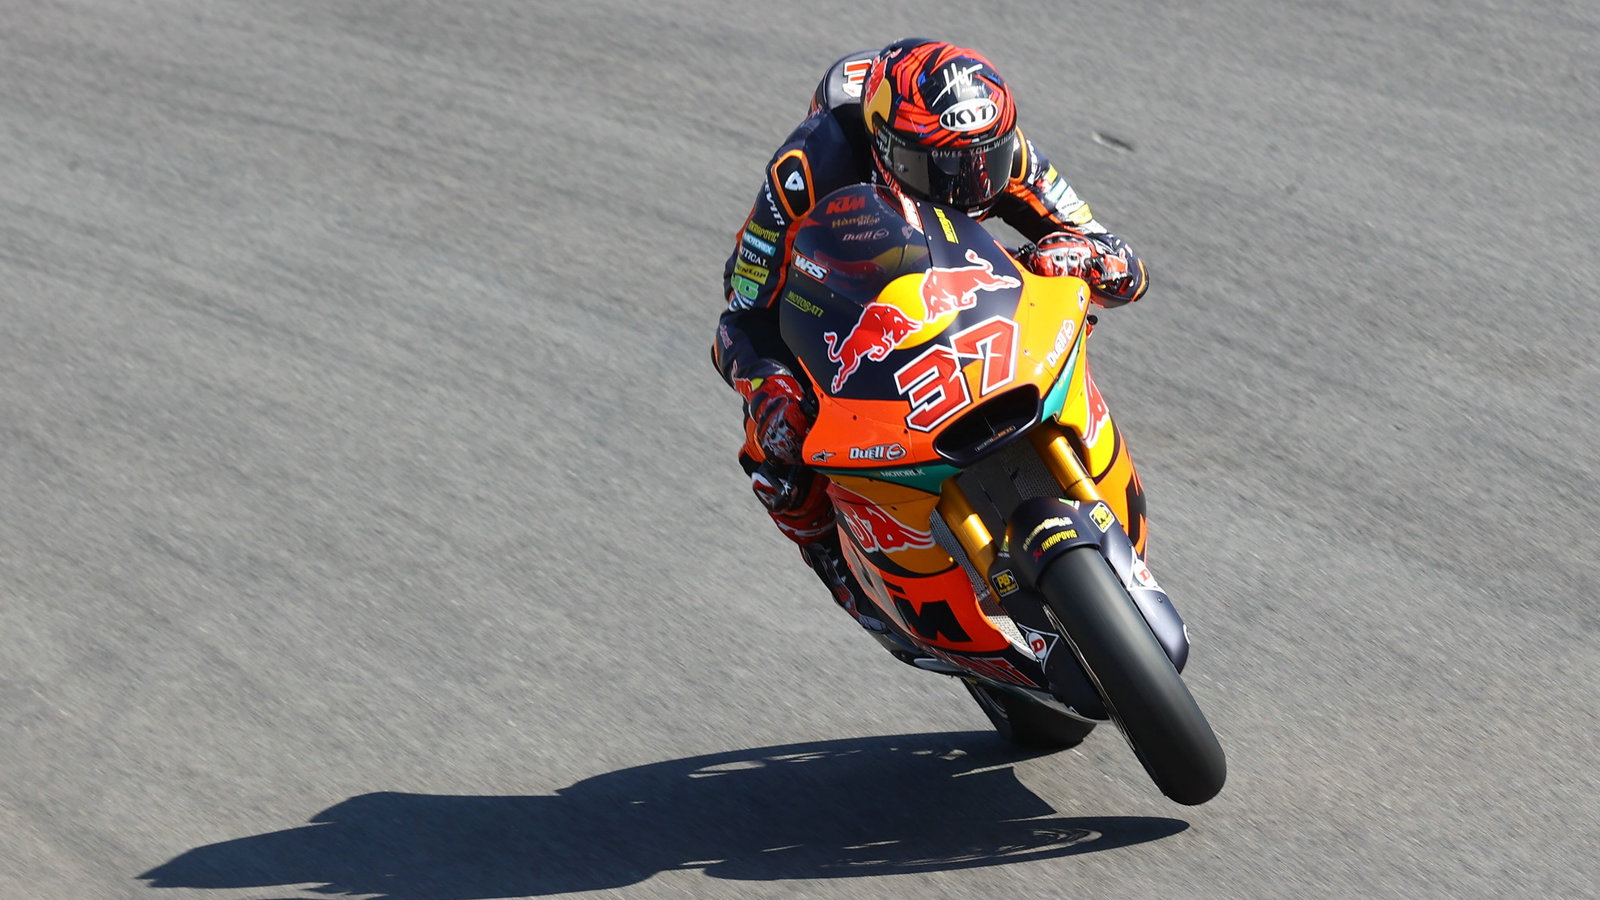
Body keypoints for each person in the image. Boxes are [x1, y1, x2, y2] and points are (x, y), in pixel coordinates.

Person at [711, 38, 1149, 640]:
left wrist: (1081, 255)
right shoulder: (806, 171)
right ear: (884, 146)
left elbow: (1117, 256)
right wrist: (770, 385)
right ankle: (838, 569)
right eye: (938, 170)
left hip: (976, 304)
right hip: (853, 315)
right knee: (771, 452)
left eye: (981, 166)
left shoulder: (995, 148)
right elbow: (739, 312)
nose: (966, 185)